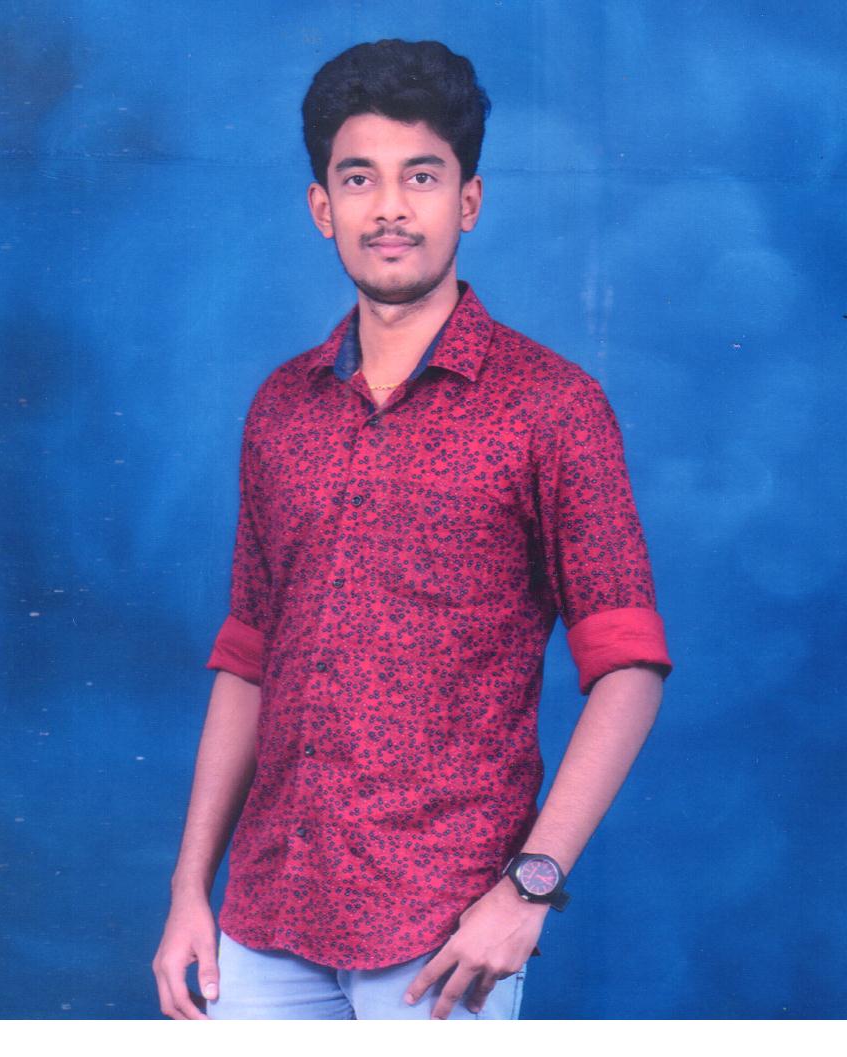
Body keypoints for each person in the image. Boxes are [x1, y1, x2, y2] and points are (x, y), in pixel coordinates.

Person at [151, 38, 673, 1021]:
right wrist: (190, 889)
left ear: (467, 201)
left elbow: (629, 664)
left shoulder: (552, 407)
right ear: (323, 208)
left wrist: (528, 889)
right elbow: (248, 659)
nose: (389, 206)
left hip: (442, 929)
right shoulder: (280, 409)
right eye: (360, 178)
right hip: (265, 914)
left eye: (421, 176)